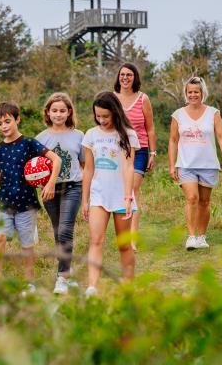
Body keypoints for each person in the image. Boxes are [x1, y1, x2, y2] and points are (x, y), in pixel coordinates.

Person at [0, 101, 61, 294]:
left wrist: (50, 182)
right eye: (0, 124)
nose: (4, 126)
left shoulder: (29, 143)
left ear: (17, 119)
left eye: (7, 121)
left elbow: (56, 159)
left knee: (26, 244)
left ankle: (30, 282)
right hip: (4, 201)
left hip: (26, 204)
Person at [81, 91, 140, 297]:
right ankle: (92, 286)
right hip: (99, 195)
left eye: (106, 116)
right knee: (96, 240)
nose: (102, 120)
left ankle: (128, 286)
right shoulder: (91, 135)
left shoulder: (129, 135)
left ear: (115, 112)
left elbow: (129, 167)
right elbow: (88, 169)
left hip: (121, 195)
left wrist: (127, 196)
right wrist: (85, 200)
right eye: (98, 116)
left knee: (124, 244)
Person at [168, 77, 222, 250]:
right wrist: (172, 165)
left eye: (196, 91)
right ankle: (191, 237)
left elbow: (221, 137)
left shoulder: (213, 113)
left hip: (208, 164)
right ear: (186, 93)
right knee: (192, 198)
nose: (193, 95)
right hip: (186, 164)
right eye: (190, 92)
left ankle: (202, 237)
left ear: (202, 93)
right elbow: (173, 140)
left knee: (204, 201)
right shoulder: (178, 114)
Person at [36, 92, 85, 295]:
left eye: (62, 110)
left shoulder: (79, 136)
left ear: (69, 112)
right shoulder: (40, 138)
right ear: (48, 113)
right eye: (54, 110)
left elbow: (84, 164)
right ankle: (67, 270)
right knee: (58, 233)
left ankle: (61, 278)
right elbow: (35, 168)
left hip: (73, 186)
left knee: (65, 230)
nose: (58, 114)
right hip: (50, 190)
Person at [113, 62, 157, 252]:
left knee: (133, 191)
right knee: (121, 192)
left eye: (129, 75)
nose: (125, 78)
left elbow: (150, 128)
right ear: (118, 77)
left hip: (140, 150)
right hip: (117, 150)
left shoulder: (143, 99)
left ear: (135, 77)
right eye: (122, 75)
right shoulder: (112, 98)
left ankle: (132, 239)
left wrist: (153, 153)